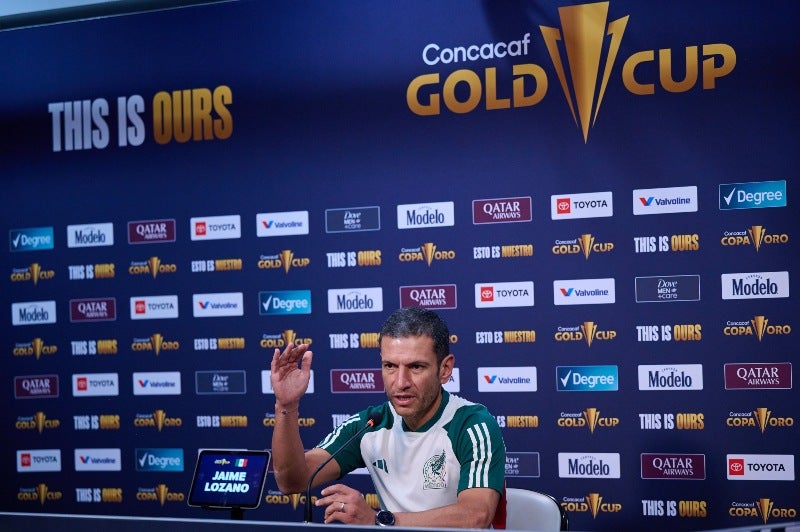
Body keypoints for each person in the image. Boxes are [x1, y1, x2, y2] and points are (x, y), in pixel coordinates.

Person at [270, 306, 507, 528]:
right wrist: (287, 406)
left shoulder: (472, 424)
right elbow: (292, 480)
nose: (401, 382)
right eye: (390, 366)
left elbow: (476, 514)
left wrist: (379, 520)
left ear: (444, 370)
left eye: (416, 367)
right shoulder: (371, 424)